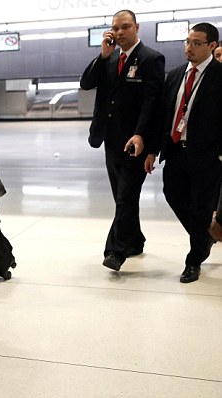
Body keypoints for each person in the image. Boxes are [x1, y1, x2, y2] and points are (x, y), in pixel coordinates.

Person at [80, 10, 165, 272]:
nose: (119, 32)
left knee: (126, 196)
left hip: (135, 141)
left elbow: (153, 103)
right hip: (111, 139)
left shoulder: (151, 58)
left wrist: (144, 138)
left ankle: (115, 252)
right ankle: (135, 240)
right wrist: (102, 56)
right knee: (122, 195)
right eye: (115, 28)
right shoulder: (110, 57)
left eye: (125, 27)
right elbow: (86, 83)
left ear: (137, 27)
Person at [147, 23, 222, 283]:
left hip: (207, 156)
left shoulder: (220, 75)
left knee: (202, 208)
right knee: (173, 194)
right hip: (177, 151)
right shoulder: (176, 74)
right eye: (187, 42)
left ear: (212, 46)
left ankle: (193, 261)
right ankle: (205, 239)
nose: (189, 47)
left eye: (196, 43)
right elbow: (163, 116)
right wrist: (153, 150)